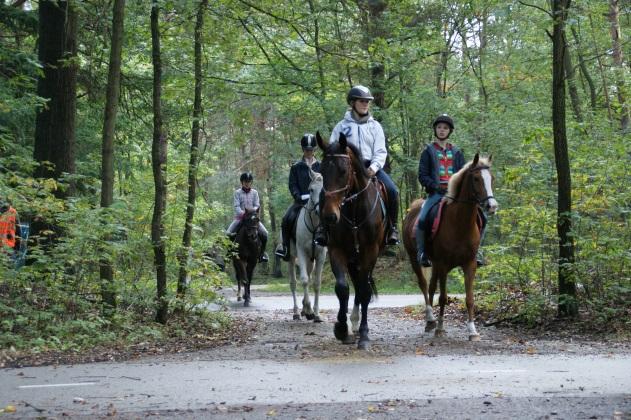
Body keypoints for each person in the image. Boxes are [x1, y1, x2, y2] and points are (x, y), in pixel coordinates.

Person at [314, 85, 400, 246]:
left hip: (370, 168)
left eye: (367, 101)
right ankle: (322, 229)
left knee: (393, 190)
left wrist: (373, 168)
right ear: (352, 103)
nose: (365, 104)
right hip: (345, 169)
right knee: (324, 192)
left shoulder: (375, 126)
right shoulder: (341, 126)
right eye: (362, 101)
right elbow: (332, 150)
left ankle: (392, 228)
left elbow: (381, 151)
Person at [416, 114, 487, 267]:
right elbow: (422, 175)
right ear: (435, 130)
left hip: (455, 195)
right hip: (436, 194)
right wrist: (435, 187)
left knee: (483, 218)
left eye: (445, 128)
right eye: (439, 127)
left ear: (450, 131)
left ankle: (477, 251)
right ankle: (422, 252)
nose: (442, 130)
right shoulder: (428, 151)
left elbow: (464, 175)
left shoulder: (456, 153)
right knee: (422, 219)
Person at [275, 133, 321, 261]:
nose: (309, 152)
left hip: (317, 201)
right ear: (303, 149)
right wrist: (298, 196)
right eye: (307, 150)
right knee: (286, 219)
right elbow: (292, 184)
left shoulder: (320, 166)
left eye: (311, 150)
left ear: (314, 150)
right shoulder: (296, 167)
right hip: (300, 201)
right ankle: (284, 248)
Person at [226, 172, 269, 263]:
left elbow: (257, 205)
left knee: (265, 233)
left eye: (249, 182)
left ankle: (262, 254)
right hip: (240, 218)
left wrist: (251, 213)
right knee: (228, 233)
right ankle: (229, 253)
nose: (247, 183)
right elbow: (236, 206)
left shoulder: (255, 193)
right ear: (242, 182)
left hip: (252, 218)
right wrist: (243, 214)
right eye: (246, 181)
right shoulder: (237, 193)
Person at [0, 197, 20, 263]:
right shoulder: (13, 211)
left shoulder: (13, 212)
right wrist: (17, 249)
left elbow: (17, 230)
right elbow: (18, 231)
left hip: (8, 247)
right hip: (9, 247)